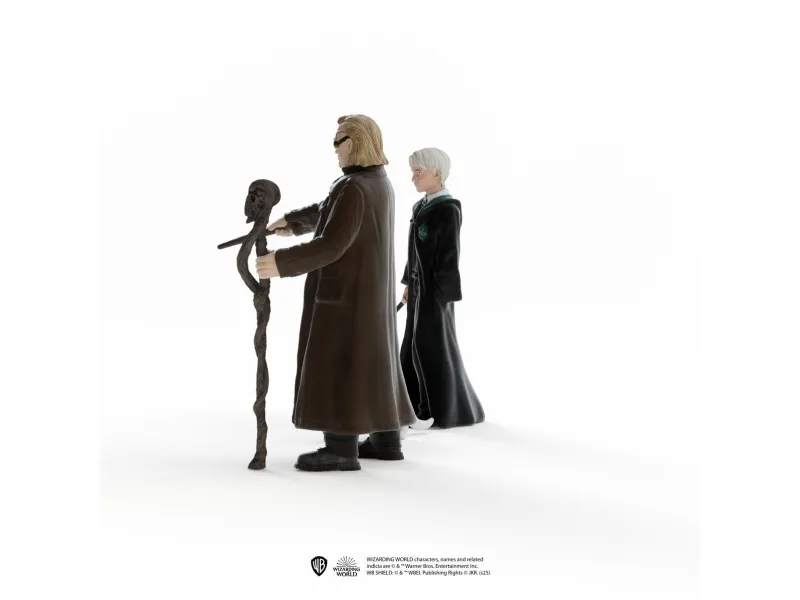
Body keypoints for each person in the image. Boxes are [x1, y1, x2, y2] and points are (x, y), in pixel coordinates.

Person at [255, 114, 416, 471]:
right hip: (368, 292)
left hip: (346, 296)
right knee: (372, 362)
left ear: (354, 143)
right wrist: (293, 222)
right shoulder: (375, 181)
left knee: (340, 362)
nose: (335, 150)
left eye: (338, 142)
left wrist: (280, 263)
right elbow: (331, 211)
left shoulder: (355, 187)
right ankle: (386, 439)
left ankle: (341, 449)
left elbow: (332, 244)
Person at [399, 147, 485, 429]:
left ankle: (430, 410)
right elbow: (413, 251)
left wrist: (440, 292)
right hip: (418, 288)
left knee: (428, 347)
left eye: (418, 172)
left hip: (435, 291)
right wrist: (409, 282)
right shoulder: (420, 207)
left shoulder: (448, 209)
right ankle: (410, 405)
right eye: (413, 172)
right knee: (411, 345)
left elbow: (449, 255)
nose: (413, 178)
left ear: (437, 173)